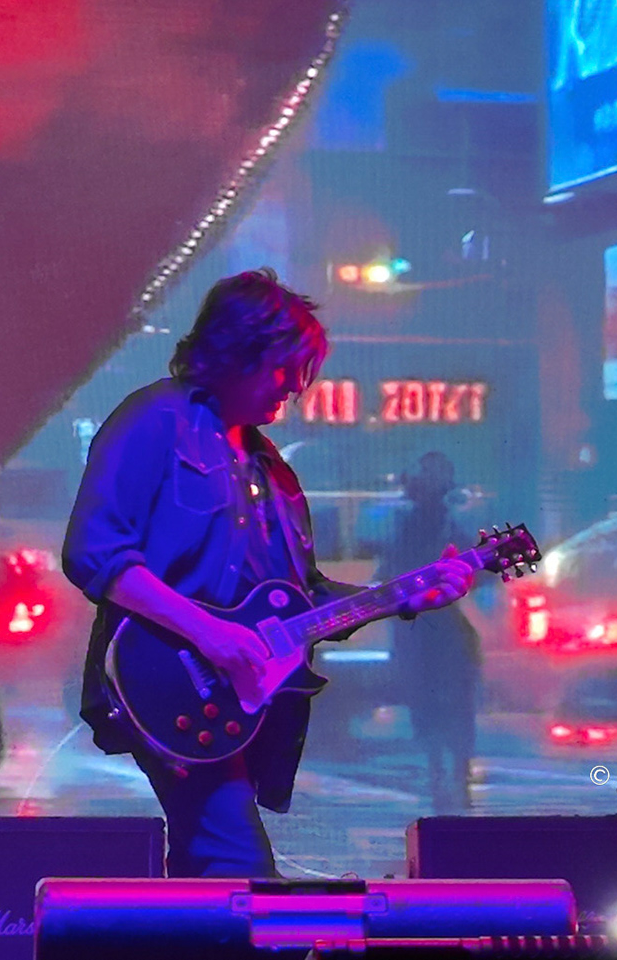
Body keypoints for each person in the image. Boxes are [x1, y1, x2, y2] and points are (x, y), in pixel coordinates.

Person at [62, 269, 473, 877]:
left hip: (243, 702)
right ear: (237, 350)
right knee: (238, 870)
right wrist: (213, 635)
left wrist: (409, 594)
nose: (300, 384)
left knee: (210, 873)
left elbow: (301, 602)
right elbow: (95, 553)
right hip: (164, 681)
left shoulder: (268, 465)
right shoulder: (156, 419)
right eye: (287, 366)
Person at [377, 451, 482, 812]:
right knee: (436, 711)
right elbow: (390, 575)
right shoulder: (416, 525)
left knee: (449, 710)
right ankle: (447, 780)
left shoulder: (450, 525)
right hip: (426, 632)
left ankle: (453, 780)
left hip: (443, 632)